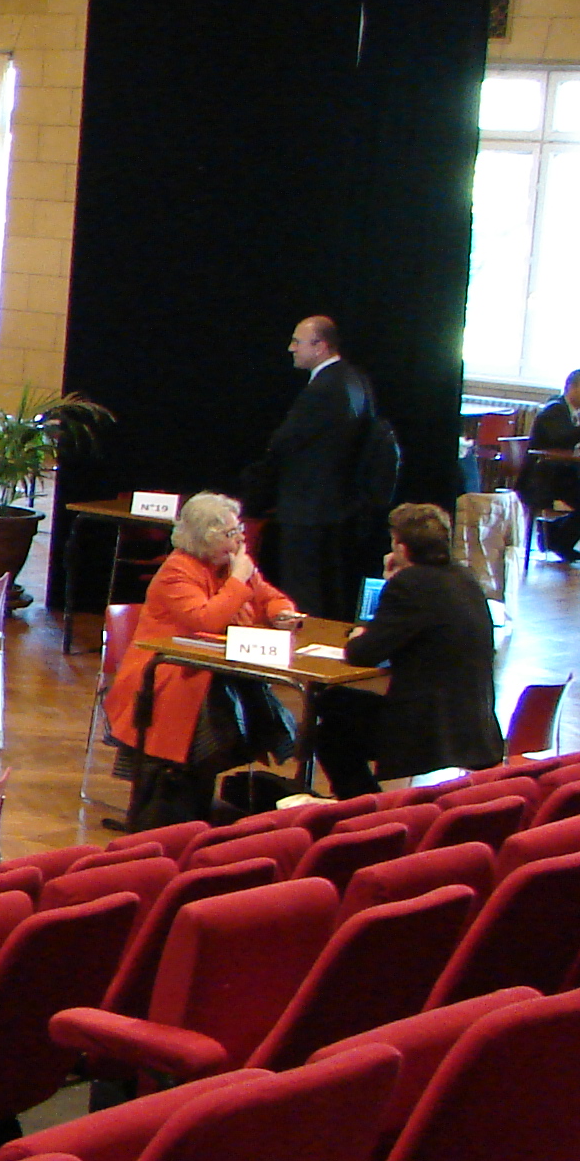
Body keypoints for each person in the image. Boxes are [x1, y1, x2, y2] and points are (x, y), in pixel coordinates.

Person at [103, 491, 303, 829]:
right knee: (218, 716)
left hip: (212, 668)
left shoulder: (230, 564)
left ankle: (206, 802)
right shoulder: (177, 571)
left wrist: (281, 613)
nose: (240, 539)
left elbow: (270, 597)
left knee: (249, 703)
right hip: (167, 672)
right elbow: (207, 619)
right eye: (230, 533)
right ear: (204, 537)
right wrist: (238, 579)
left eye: (239, 530)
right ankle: (175, 812)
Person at [316, 503, 504, 796]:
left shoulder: (409, 584)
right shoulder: (465, 578)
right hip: (473, 723)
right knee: (336, 701)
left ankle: (367, 808)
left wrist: (385, 593)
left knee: (331, 734)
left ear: (401, 548)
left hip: (428, 728)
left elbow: (362, 653)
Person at [252, 314, 381, 620]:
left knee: (304, 594)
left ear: (320, 346)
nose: (291, 348)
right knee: (329, 591)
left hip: (308, 509)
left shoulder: (324, 388)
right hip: (339, 509)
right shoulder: (356, 379)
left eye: (297, 342)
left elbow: (285, 441)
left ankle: (305, 647)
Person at [523, 368, 580, 561]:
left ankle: (555, 534)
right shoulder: (554, 410)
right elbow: (559, 439)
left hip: (563, 474)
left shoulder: (571, 412)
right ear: (573, 388)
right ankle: (558, 539)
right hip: (544, 479)